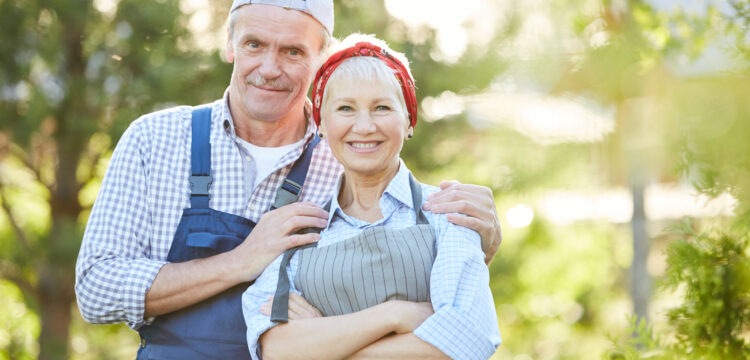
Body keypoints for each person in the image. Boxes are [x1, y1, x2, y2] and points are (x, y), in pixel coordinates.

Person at [75, 1, 503, 359]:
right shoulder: (157, 140)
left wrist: (484, 240)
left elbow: (430, 291)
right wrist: (242, 260)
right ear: (230, 45)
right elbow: (95, 290)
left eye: (293, 52)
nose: (269, 67)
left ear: (323, 59)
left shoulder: (349, 157)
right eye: (254, 44)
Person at [243, 34, 501, 360]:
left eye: (381, 107)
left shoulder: (449, 213)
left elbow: (469, 341)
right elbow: (277, 350)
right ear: (322, 125)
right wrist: (394, 314)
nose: (364, 126)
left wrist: (325, 342)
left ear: (408, 121)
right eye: (346, 108)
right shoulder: (297, 234)